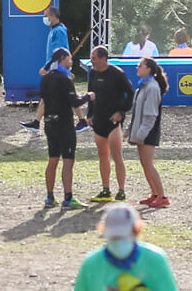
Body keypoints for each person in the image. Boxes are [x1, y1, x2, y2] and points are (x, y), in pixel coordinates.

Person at [39, 47, 86, 210]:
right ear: (62, 59)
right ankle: (68, 197)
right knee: (68, 160)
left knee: (52, 160)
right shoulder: (65, 80)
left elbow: (44, 100)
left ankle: (50, 197)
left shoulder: (46, 79)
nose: (71, 62)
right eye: (69, 59)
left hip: (49, 123)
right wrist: (89, 96)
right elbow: (75, 102)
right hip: (64, 124)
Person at [84, 46, 133, 202]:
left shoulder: (116, 73)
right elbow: (90, 93)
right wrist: (89, 114)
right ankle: (106, 190)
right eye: (91, 58)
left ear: (104, 58)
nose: (92, 61)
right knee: (102, 156)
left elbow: (130, 93)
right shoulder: (92, 73)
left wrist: (122, 112)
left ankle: (121, 190)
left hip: (114, 122)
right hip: (98, 119)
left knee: (117, 156)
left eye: (94, 58)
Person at [129, 55, 170, 208]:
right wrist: (131, 130)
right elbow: (137, 112)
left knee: (148, 164)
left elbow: (150, 114)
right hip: (143, 131)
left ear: (149, 69)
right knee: (145, 164)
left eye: (140, 65)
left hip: (148, 131)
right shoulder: (144, 86)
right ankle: (155, 193)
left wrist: (141, 134)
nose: (137, 67)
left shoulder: (152, 87)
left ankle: (162, 196)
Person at [22, 9, 69, 132]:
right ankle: (36, 123)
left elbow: (59, 52)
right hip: (55, 69)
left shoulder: (59, 31)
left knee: (68, 96)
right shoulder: (54, 30)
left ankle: (82, 121)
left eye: (45, 16)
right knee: (46, 96)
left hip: (58, 69)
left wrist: (47, 67)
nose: (44, 18)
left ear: (52, 17)